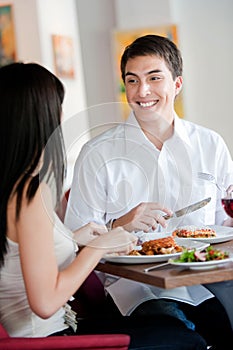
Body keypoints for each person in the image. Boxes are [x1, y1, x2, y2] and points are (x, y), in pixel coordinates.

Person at [0, 62, 208, 350]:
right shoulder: (30, 194)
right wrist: (101, 246)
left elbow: (18, 257)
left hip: (40, 335)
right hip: (47, 341)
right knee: (186, 338)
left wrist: (73, 240)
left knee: (167, 325)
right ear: (40, 116)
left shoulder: (10, 188)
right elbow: (45, 302)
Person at [65, 34, 233, 348]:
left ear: (177, 84)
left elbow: (225, 223)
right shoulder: (98, 152)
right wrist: (120, 225)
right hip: (137, 292)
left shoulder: (211, 144)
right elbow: (72, 240)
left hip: (208, 284)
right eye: (132, 80)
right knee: (187, 339)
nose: (142, 92)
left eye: (154, 78)